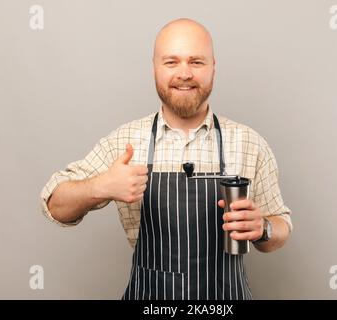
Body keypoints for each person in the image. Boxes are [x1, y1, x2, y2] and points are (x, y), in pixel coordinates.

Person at [40, 18, 293, 300]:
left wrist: (264, 228)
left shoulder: (249, 143)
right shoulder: (126, 142)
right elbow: (54, 205)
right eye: (171, 62)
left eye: (196, 62)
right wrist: (101, 186)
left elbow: (280, 227)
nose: (184, 74)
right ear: (154, 69)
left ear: (213, 68)